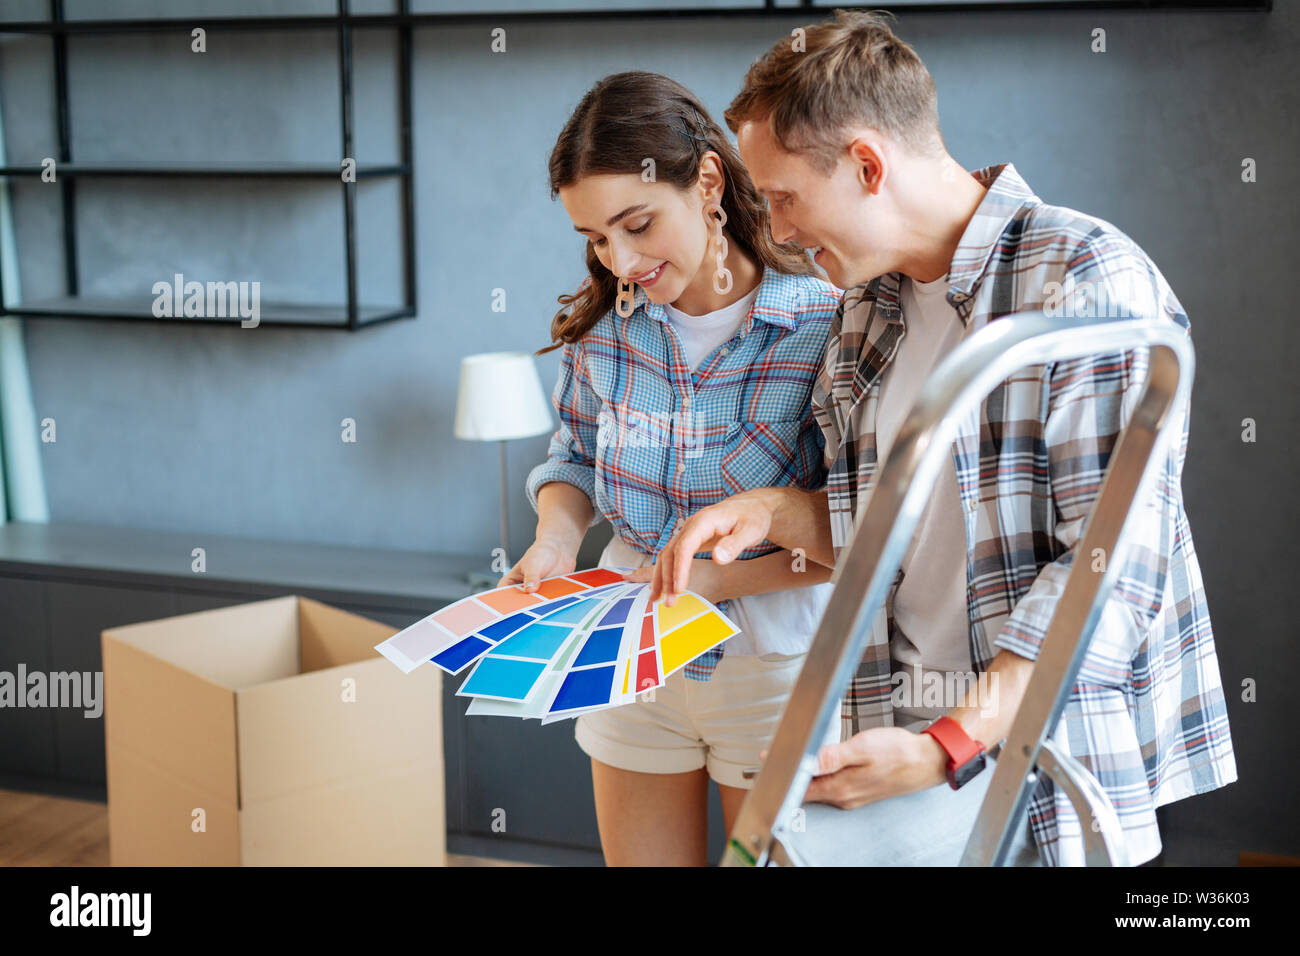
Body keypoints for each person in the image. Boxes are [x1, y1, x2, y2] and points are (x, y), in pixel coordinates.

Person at [650, 10, 1237, 866]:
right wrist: (774, 511)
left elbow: (1111, 571)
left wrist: (952, 743)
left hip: (1042, 756)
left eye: (782, 197)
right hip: (902, 746)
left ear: (866, 164)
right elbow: (893, 531)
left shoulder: (1084, 281)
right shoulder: (866, 312)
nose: (774, 231)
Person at [498, 71, 845, 866]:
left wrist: (711, 584)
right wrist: (556, 539)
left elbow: (853, 524)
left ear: (709, 183)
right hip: (629, 657)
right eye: (594, 238)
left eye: (636, 224)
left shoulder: (823, 324)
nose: (619, 260)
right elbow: (573, 458)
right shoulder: (603, 331)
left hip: (773, 666)